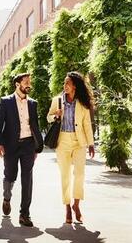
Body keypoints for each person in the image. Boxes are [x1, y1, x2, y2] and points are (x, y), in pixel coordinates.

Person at [0, 73, 44, 227]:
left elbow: (35, 125)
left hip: (28, 145)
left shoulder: (33, 103)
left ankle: (24, 214)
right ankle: (7, 197)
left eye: (30, 82)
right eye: (26, 82)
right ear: (17, 84)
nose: (29, 84)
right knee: (10, 174)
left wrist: (36, 146)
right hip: (10, 145)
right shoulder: (6, 102)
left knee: (27, 179)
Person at [47, 71, 95, 224]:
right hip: (62, 141)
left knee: (79, 174)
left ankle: (76, 204)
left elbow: (87, 124)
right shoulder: (57, 100)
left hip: (79, 141)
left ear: (75, 85)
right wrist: (56, 115)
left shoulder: (82, 102)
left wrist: (91, 143)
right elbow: (48, 117)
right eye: (64, 83)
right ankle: (67, 207)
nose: (65, 85)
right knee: (65, 175)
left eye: (67, 83)